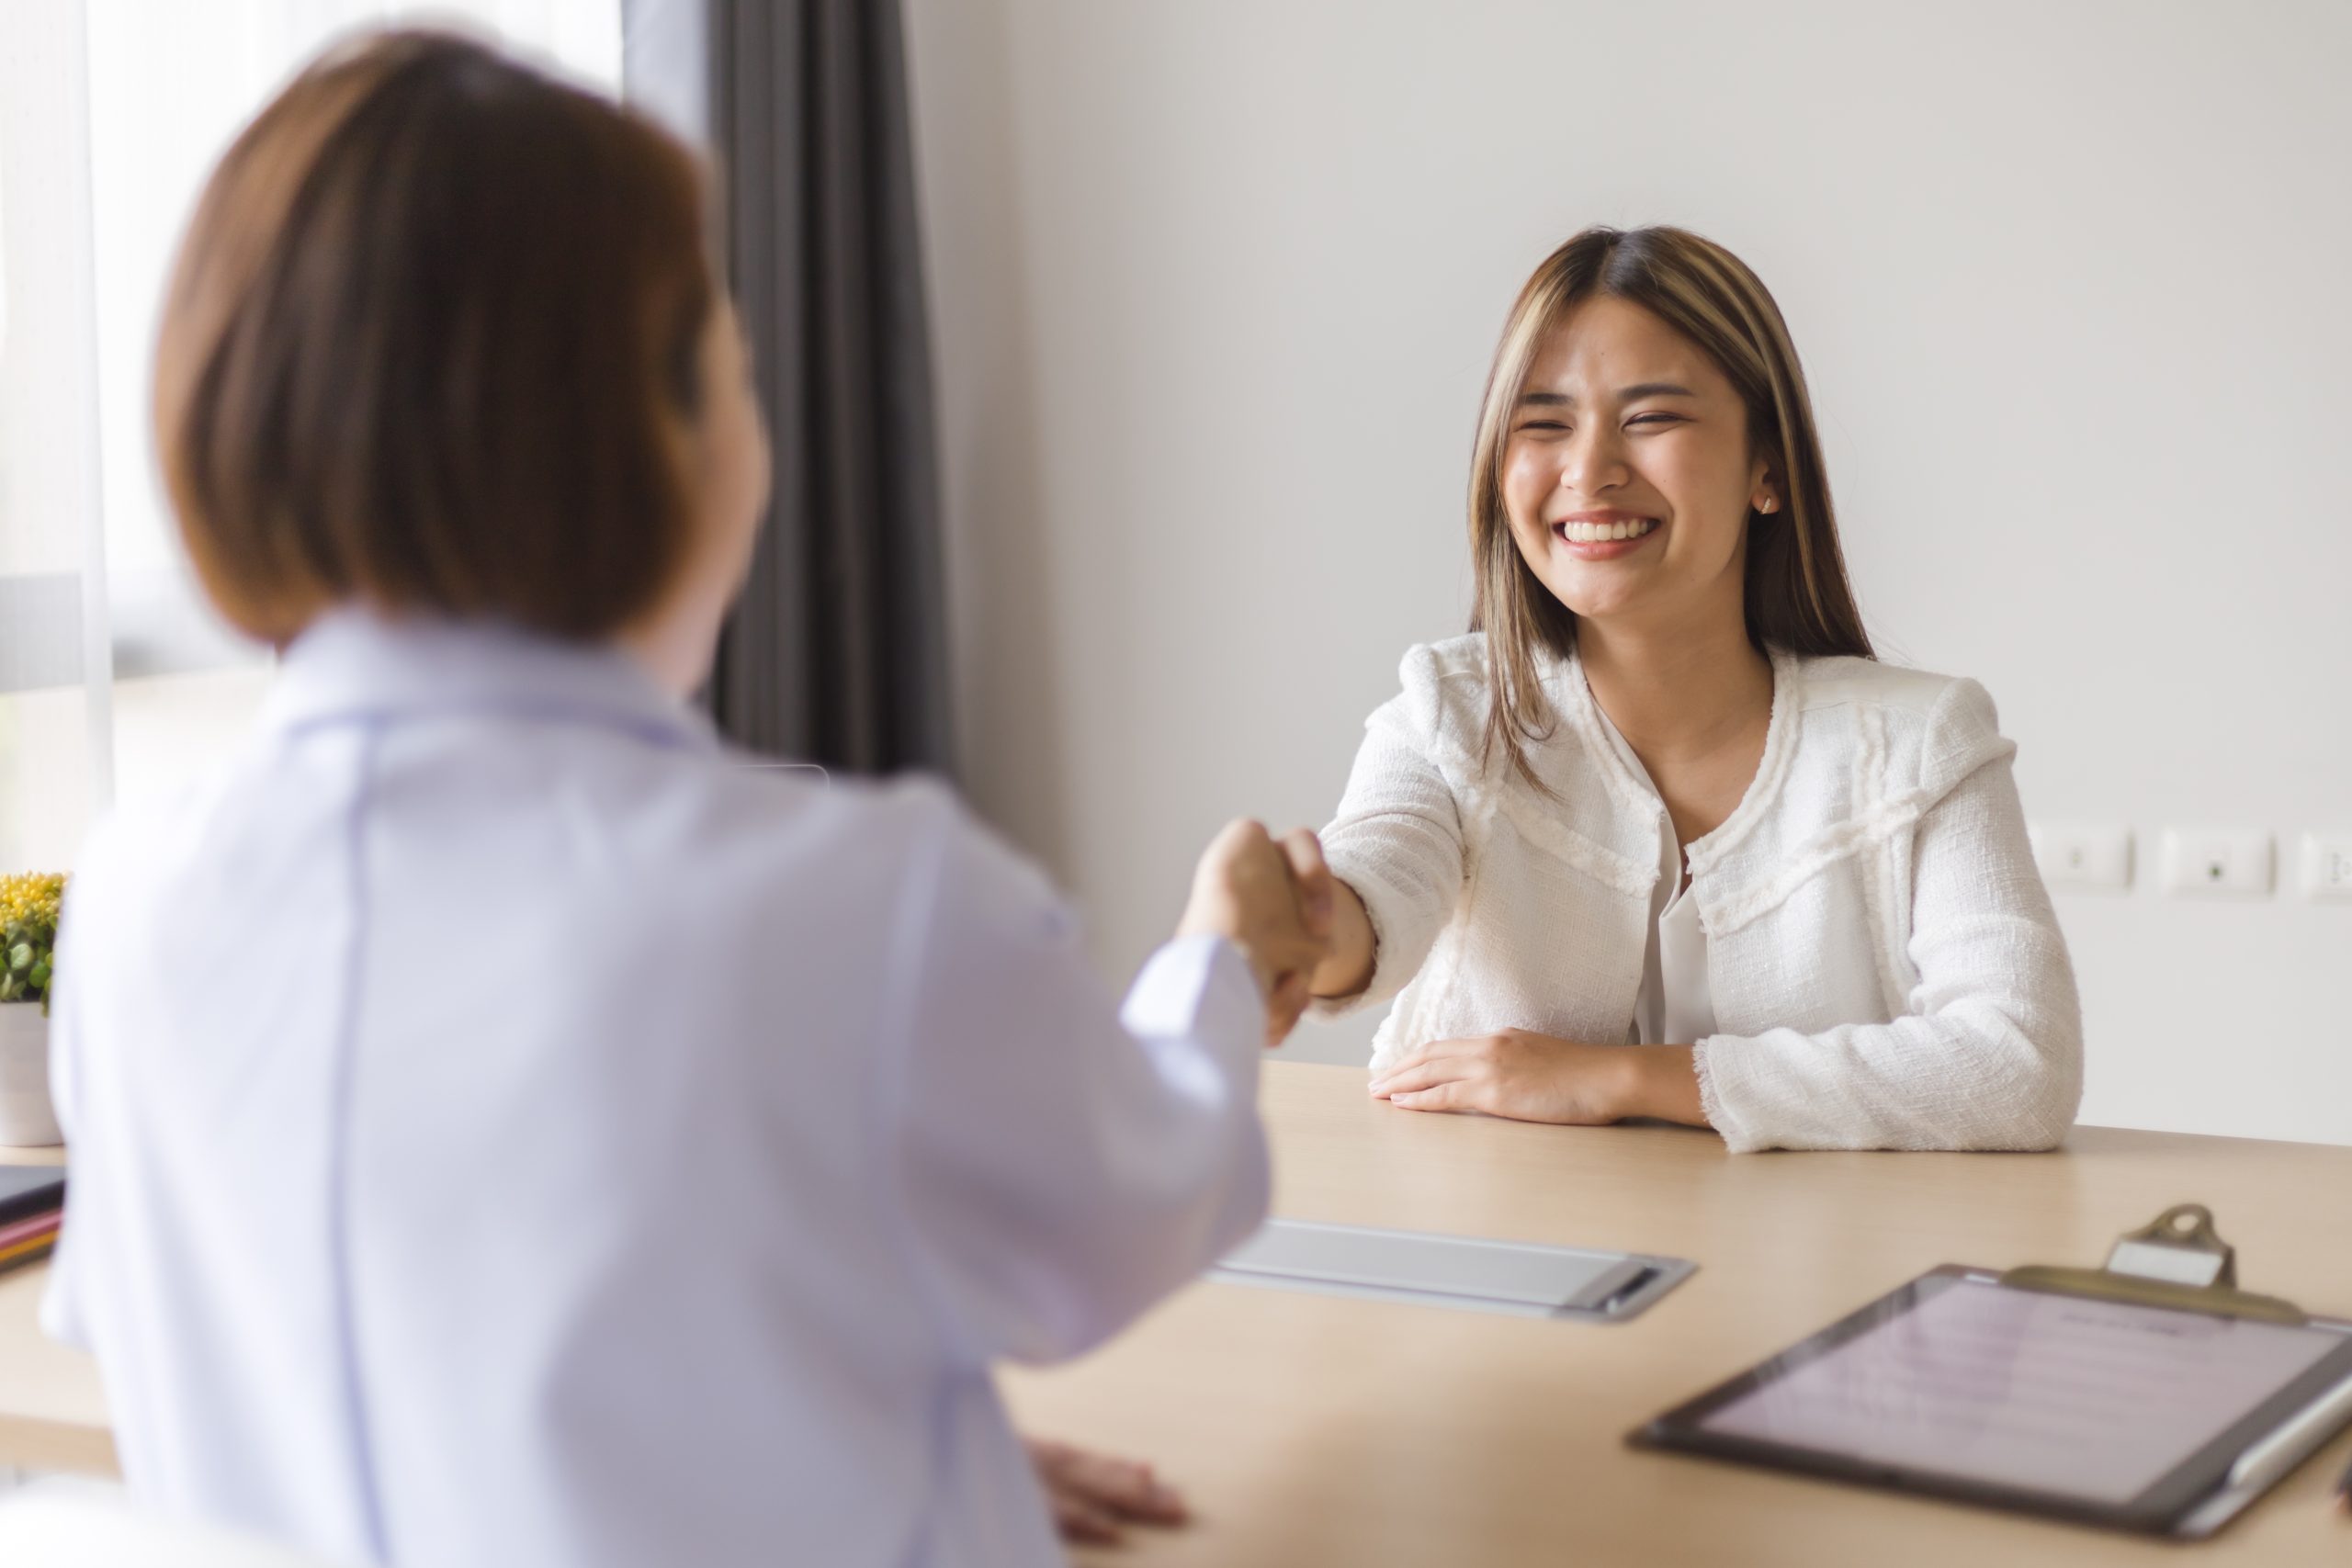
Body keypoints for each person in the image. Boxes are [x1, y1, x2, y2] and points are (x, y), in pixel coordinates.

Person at [42, 31, 1329, 1568]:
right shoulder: (848, 902)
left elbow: (351, 1354)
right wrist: (1226, 961)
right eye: (734, 362)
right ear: (655, 434)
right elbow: (1137, 1206)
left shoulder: (135, 901)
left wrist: (819, 1429)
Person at [1292, 226, 2082, 1153]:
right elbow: (1373, 884)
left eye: (1650, 418)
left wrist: (1620, 1080)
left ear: (1767, 468)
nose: (1588, 472)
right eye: (1542, 423)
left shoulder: (1919, 744)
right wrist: (1298, 924)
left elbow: (2017, 1065)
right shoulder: (1446, 713)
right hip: (1495, 1266)